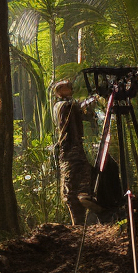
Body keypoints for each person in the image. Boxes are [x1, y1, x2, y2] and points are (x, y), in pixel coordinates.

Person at [53, 79, 105, 224]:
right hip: (69, 148)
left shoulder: (69, 105)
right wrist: (86, 103)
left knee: (82, 181)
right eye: (65, 87)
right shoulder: (62, 105)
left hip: (75, 147)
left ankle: (82, 221)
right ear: (59, 92)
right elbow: (74, 108)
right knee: (71, 185)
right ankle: (77, 223)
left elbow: (84, 114)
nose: (69, 88)